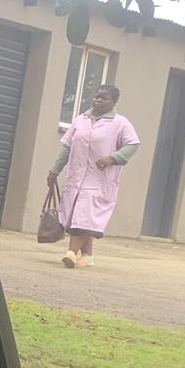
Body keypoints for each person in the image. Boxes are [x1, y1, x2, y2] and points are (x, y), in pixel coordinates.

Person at [46, 84, 141, 268]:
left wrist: (113, 158)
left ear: (114, 102)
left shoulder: (120, 123)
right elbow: (67, 146)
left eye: (104, 98)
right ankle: (87, 255)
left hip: (99, 179)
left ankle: (71, 253)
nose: (98, 100)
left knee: (83, 216)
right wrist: (54, 170)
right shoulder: (81, 119)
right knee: (79, 215)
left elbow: (133, 145)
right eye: (97, 96)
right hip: (76, 177)